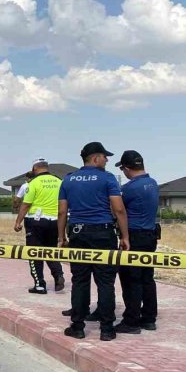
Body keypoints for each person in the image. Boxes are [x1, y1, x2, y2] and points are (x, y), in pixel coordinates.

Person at [58, 142, 129, 341]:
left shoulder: (68, 180)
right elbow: (119, 209)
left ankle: (78, 327)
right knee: (105, 282)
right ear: (95, 158)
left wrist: (61, 237)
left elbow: (62, 211)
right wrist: (125, 237)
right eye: (105, 157)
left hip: (78, 233)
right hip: (103, 233)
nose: (107, 160)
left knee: (80, 281)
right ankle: (107, 329)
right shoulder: (107, 178)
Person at [115, 150, 160, 334]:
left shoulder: (129, 189)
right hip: (150, 235)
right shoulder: (153, 183)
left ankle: (131, 321)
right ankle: (149, 318)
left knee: (130, 278)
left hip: (133, 236)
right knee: (147, 278)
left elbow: (118, 210)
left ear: (126, 168)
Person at [15, 159, 64, 294]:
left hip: (35, 222)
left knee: (34, 253)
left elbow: (26, 204)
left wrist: (18, 221)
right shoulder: (59, 182)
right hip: (54, 222)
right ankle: (58, 275)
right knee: (50, 251)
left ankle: (39, 285)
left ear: (35, 168)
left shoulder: (33, 183)